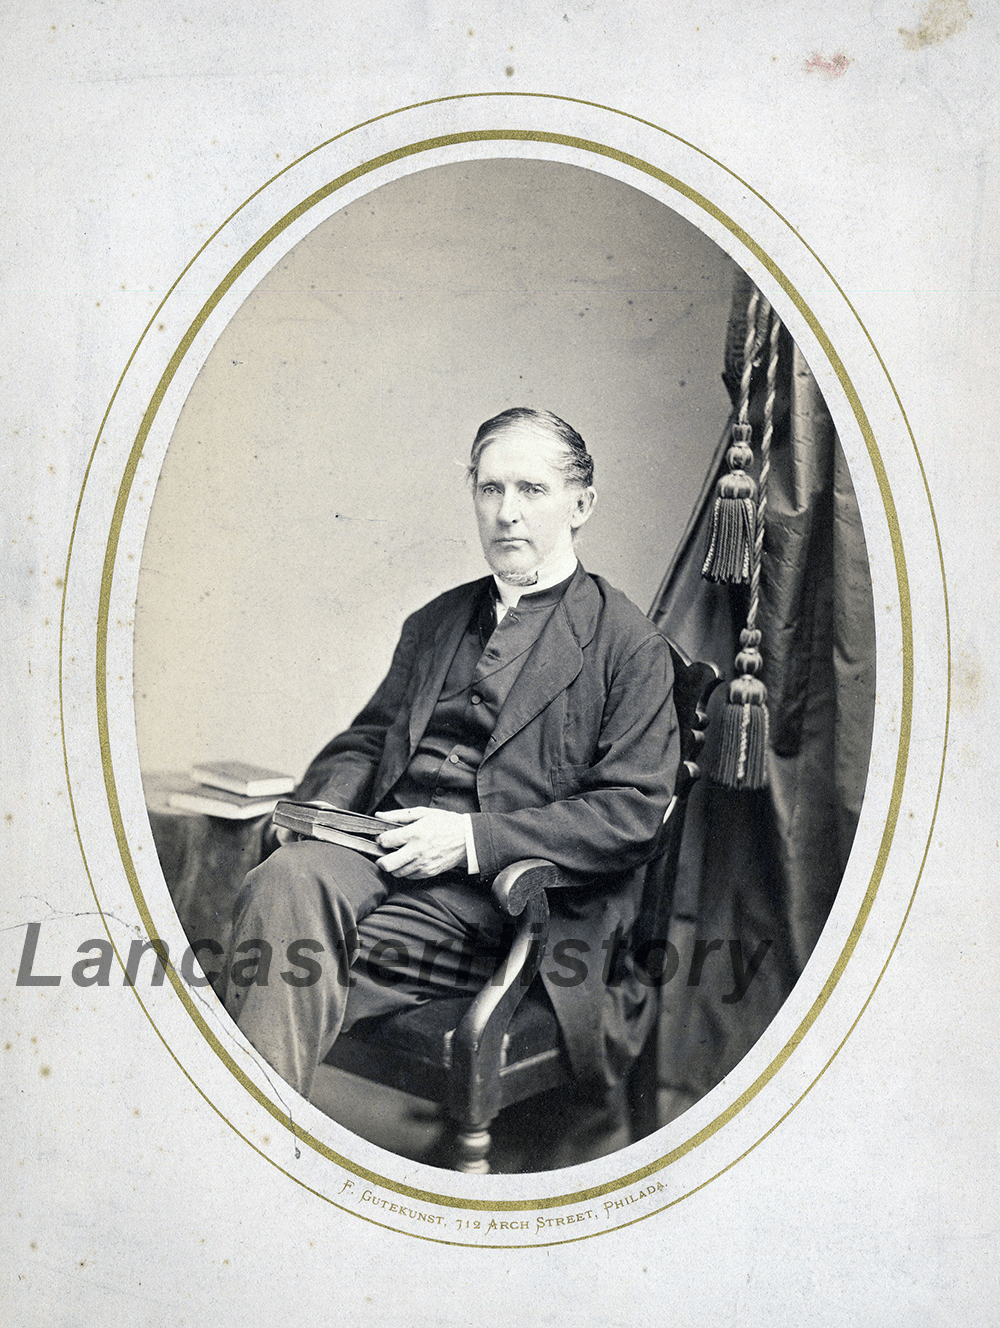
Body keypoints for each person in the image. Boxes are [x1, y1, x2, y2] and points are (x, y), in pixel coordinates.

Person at [224, 407, 680, 1111]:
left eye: (531, 490)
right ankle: (259, 1145)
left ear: (581, 504)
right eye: (490, 489)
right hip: (381, 856)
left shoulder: (629, 647)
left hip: (505, 904)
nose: (506, 514)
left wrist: (470, 840)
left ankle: (247, 1156)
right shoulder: (436, 621)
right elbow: (369, 740)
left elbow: (631, 815)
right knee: (288, 876)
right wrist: (321, 815)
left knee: (264, 943)